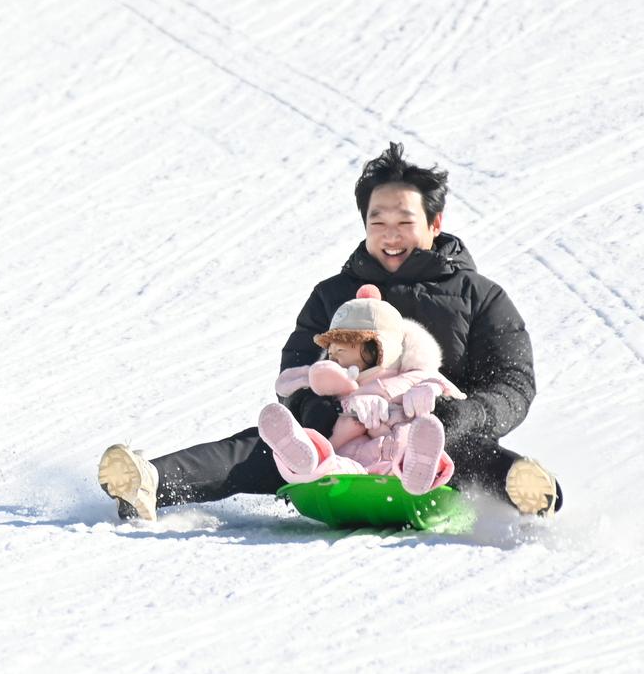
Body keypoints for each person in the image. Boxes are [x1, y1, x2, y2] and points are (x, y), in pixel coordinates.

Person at [97, 142, 561, 521]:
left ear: (435, 224)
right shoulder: (334, 294)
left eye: (404, 221)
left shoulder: (480, 296)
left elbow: (513, 381)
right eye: (377, 221)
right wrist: (321, 410)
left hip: (429, 435)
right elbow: (298, 366)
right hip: (337, 437)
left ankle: (533, 493)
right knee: (256, 448)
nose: (390, 233)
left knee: (473, 453)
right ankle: (148, 481)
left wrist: (464, 415)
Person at [256, 283, 463, 493]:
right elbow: (296, 381)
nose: (333, 353)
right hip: (353, 461)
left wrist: (430, 390)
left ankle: (422, 470)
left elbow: (440, 385)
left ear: (376, 348)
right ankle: (308, 458)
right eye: (331, 348)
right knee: (336, 465)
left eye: (343, 345)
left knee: (416, 443)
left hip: (398, 455)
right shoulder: (338, 384)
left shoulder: (410, 375)